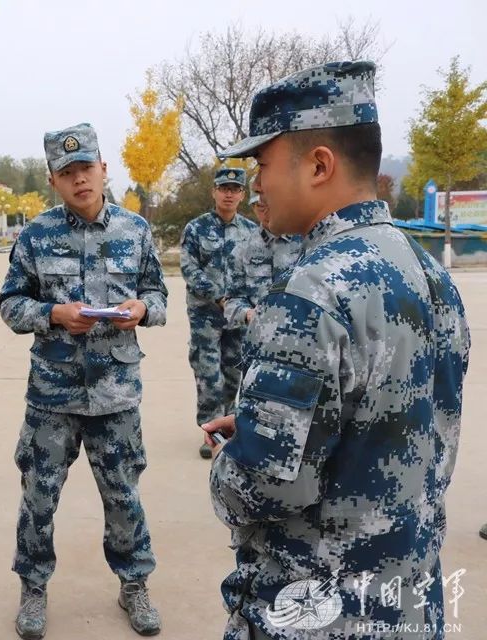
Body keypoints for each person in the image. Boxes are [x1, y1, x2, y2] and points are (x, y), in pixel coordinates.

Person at [203, 60, 470, 639]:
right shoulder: (428, 272)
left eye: (263, 164)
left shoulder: (312, 291)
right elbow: (425, 428)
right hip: (406, 603)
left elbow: (269, 483)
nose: (255, 185)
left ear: (319, 164)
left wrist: (234, 458)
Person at [0, 123, 167, 639]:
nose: (79, 180)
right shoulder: (35, 235)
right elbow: (10, 303)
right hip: (53, 395)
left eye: (86, 168)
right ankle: (33, 587)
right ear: (54, 179)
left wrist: (141, 309)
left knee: (123, 496)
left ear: (104, 169)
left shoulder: (135, 231)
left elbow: (158, 295)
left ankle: (134, 584)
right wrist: (52, 314)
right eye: (67, 172)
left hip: (116, 394)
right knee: (39, 498)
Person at [180, 167, 257, 458]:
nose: (229, 193)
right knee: (209, 375)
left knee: (232, 374)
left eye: (235, 189)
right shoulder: (196, 229)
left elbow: (255, 271)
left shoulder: (251, 232)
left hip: (237, 318)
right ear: (214, 192)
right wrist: (220, 296)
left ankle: (229, 426)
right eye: (223, 188)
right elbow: (189, 268)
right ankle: (210, 431)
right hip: (205, 315)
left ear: (242, 195)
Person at [224, 188, 303, 328]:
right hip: (258, 336)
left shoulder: (306, 242)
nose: (267, 211)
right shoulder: (242, 249)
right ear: (253, 208)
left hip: (301, 333)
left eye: (272, 204)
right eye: (261, 206)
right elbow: (232, 299)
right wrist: (247, 313)